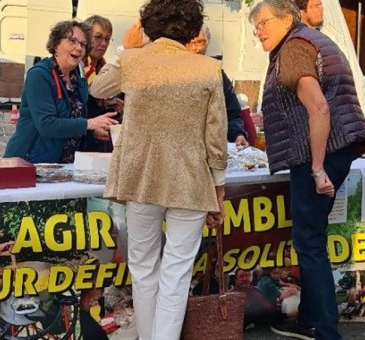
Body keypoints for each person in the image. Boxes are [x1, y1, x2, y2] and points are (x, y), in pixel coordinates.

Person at [90, 0, 228, 338]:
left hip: (141, 177)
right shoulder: (208, 68)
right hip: (191, 180)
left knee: (143, 267)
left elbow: (97, 88)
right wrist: (219, 189)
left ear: (148, 24)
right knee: (177, 272)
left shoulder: (132, 60)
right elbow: (217, 135)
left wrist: (126, 47)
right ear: (193, 28)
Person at [250, 0, 365, 338]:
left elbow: (319, 107)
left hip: (317, 154)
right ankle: (309, 319)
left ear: (285, 18)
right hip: (335, 148)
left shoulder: (293, 48)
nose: (257, 29)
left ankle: (324, 330)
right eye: (255, 24)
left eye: (263, 22)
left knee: (308, 243)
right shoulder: (311, 39)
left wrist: (318, 167)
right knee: (312, 238)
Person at [3, 20, 118, 163]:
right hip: (30, 162)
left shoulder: (77, 78)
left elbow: (74, 122)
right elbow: (46, 124)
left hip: (63, 166)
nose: (79, 48)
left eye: (83, 44)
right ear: (56, 44)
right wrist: (89, 124)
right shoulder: (39, 75)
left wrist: (92, 132)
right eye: (72, 41)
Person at [123, 22, 250, 148]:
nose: (196, 48)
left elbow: (232, 112)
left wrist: (238, 134)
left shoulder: (216, 73)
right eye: (191, 42)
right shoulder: (168, 72)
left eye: (201, 42)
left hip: (208, 148)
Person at [83, 15, 124, 152]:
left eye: (107, 39)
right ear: (86, 37)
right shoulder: (77, 68)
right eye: (98, 37)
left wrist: (113, 107)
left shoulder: (105, 69)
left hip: (100, 142)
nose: (103, 43)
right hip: (82, 140)